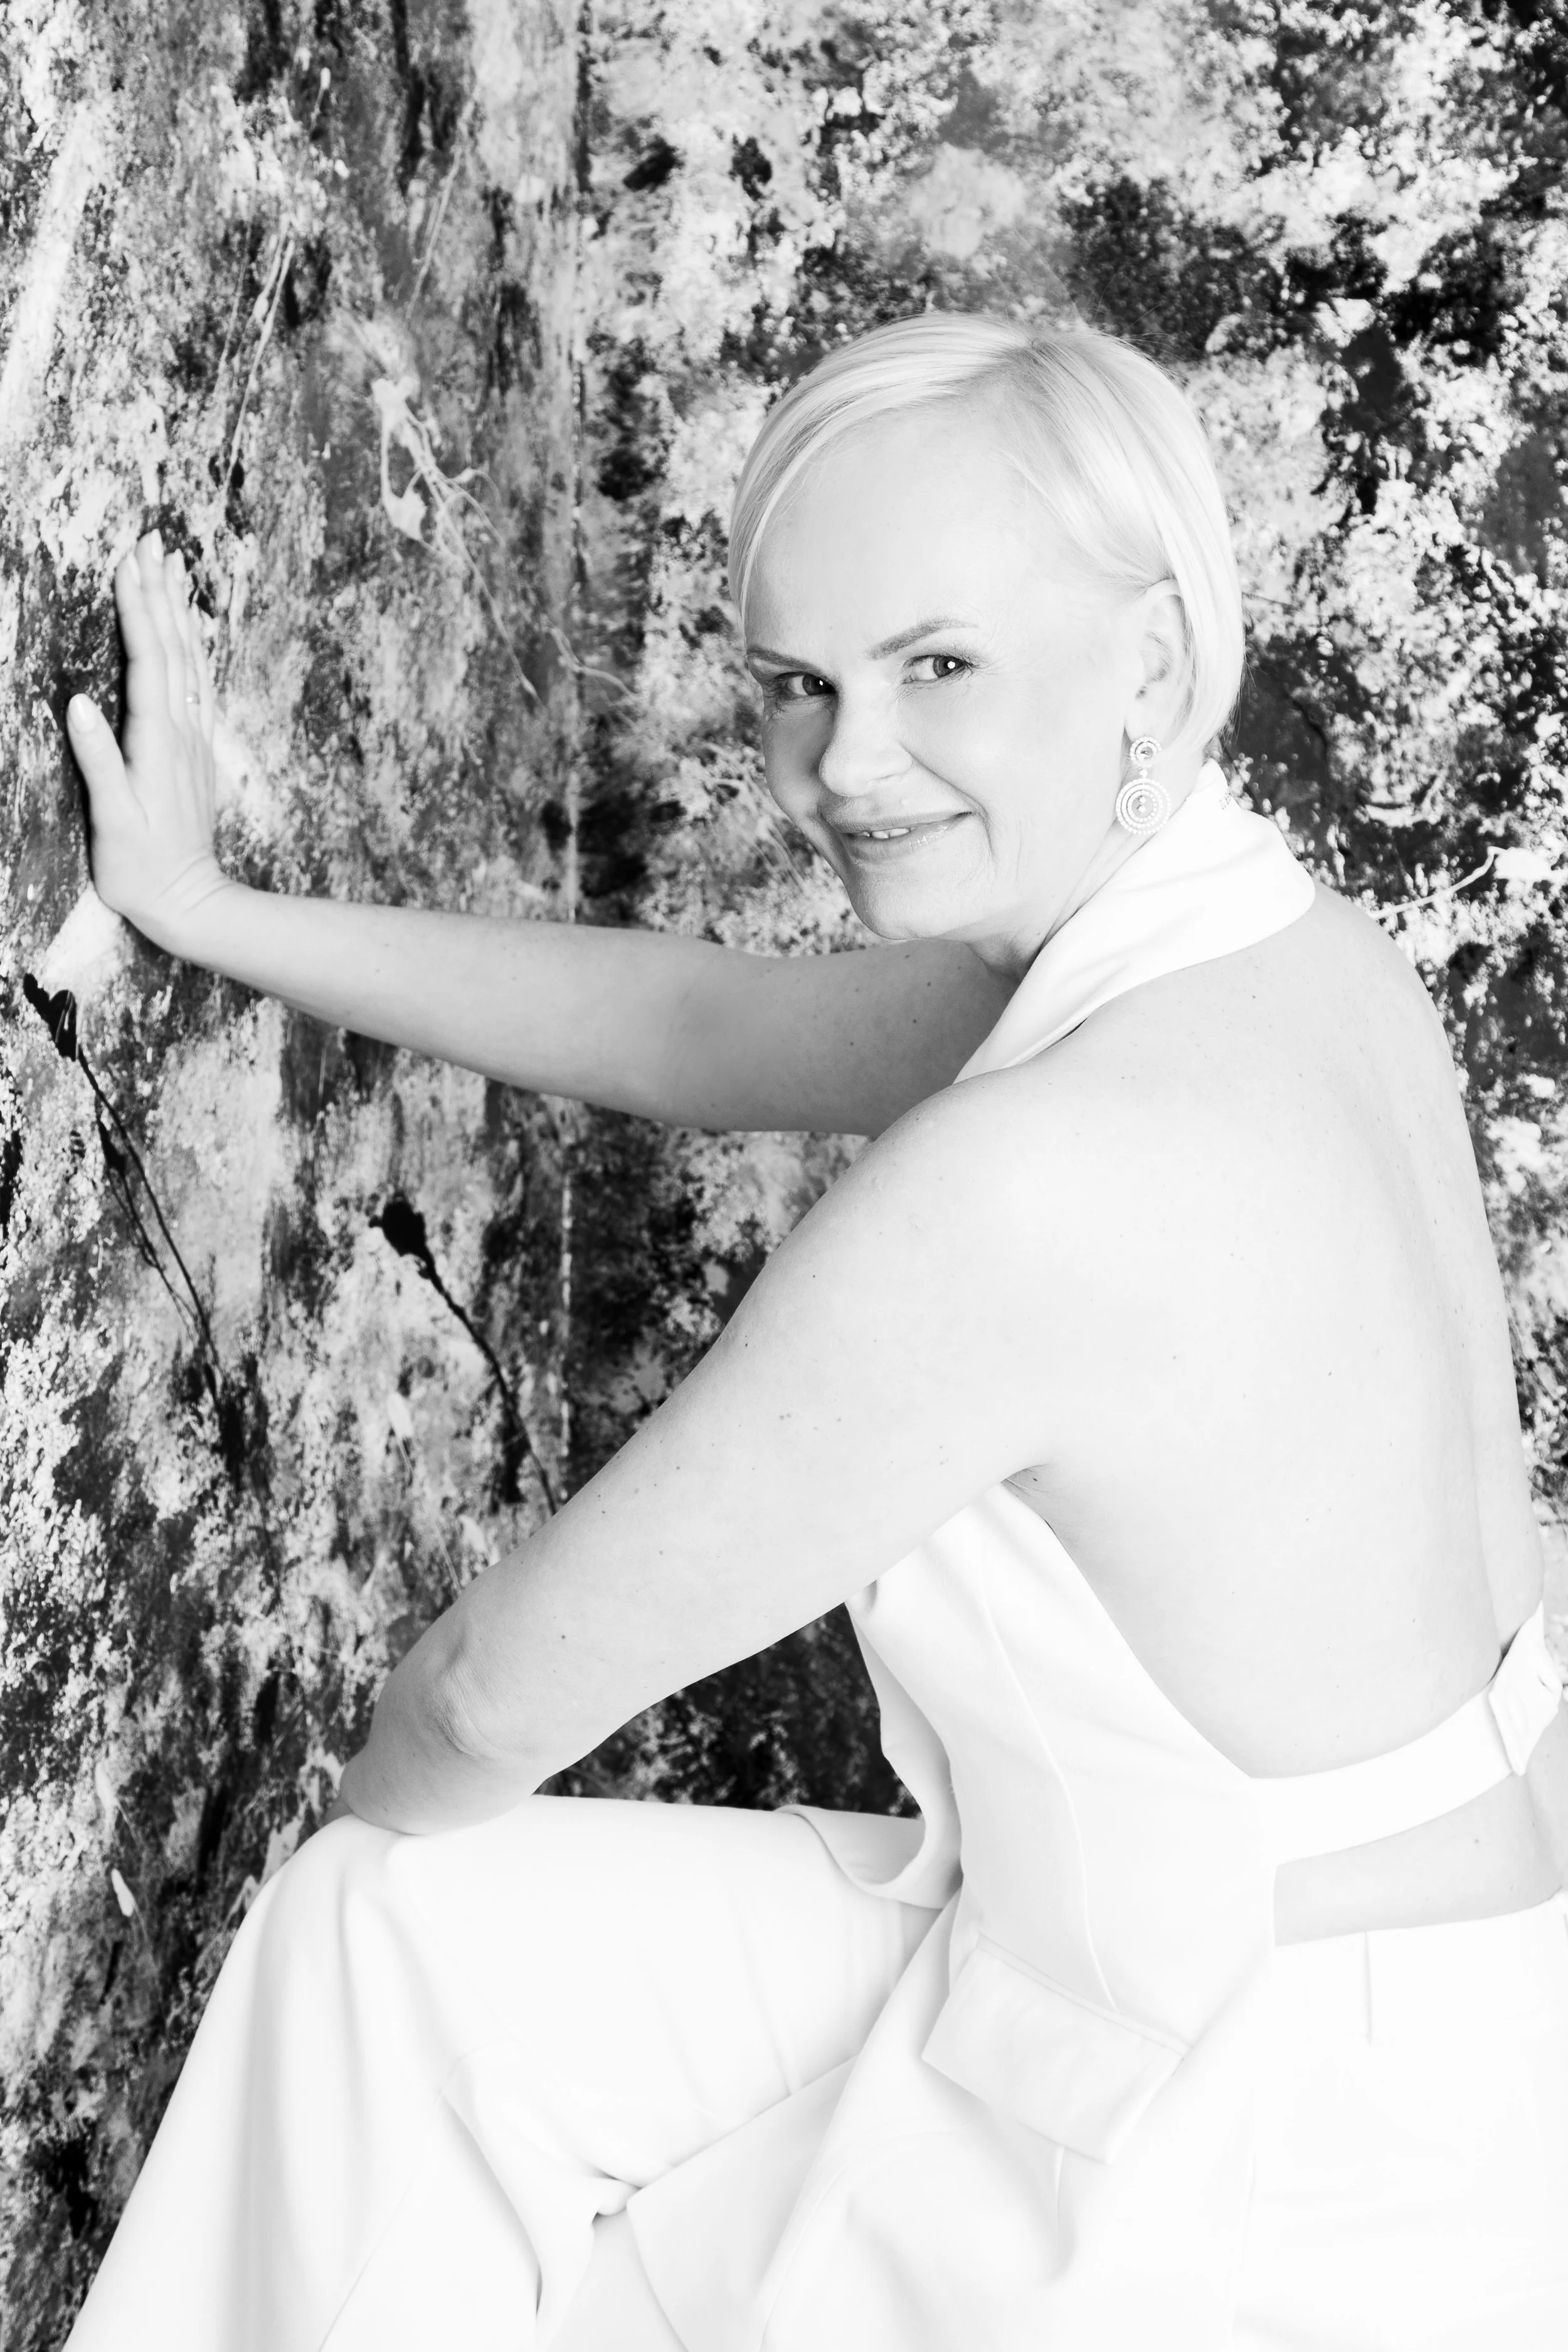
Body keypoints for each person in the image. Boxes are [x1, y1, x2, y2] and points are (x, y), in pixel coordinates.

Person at [61, 314, 1568, 2352]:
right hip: (1402, 2011)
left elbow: (487, 1700)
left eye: (939, 666)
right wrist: (207, 907)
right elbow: (704, 1028)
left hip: (1257, 2169)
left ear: (1148, 660)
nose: (844, 768)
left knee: (383, 1903)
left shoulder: (1033, 1184)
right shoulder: (1283, 958)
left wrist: (334, 1885)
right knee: (396, 1945)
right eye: (798, 684)